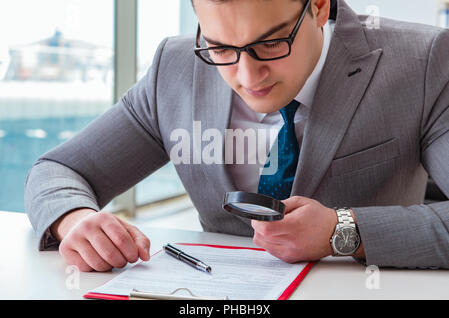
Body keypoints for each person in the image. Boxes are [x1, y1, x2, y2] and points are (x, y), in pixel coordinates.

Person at [25, 0, 449, 272]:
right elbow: (59, 169)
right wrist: (75, 220)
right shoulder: (175, 67)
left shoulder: (422, 62)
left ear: (319, 6)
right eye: (221, 47)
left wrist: (344, 230)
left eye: (271, 43)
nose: (247, 77)